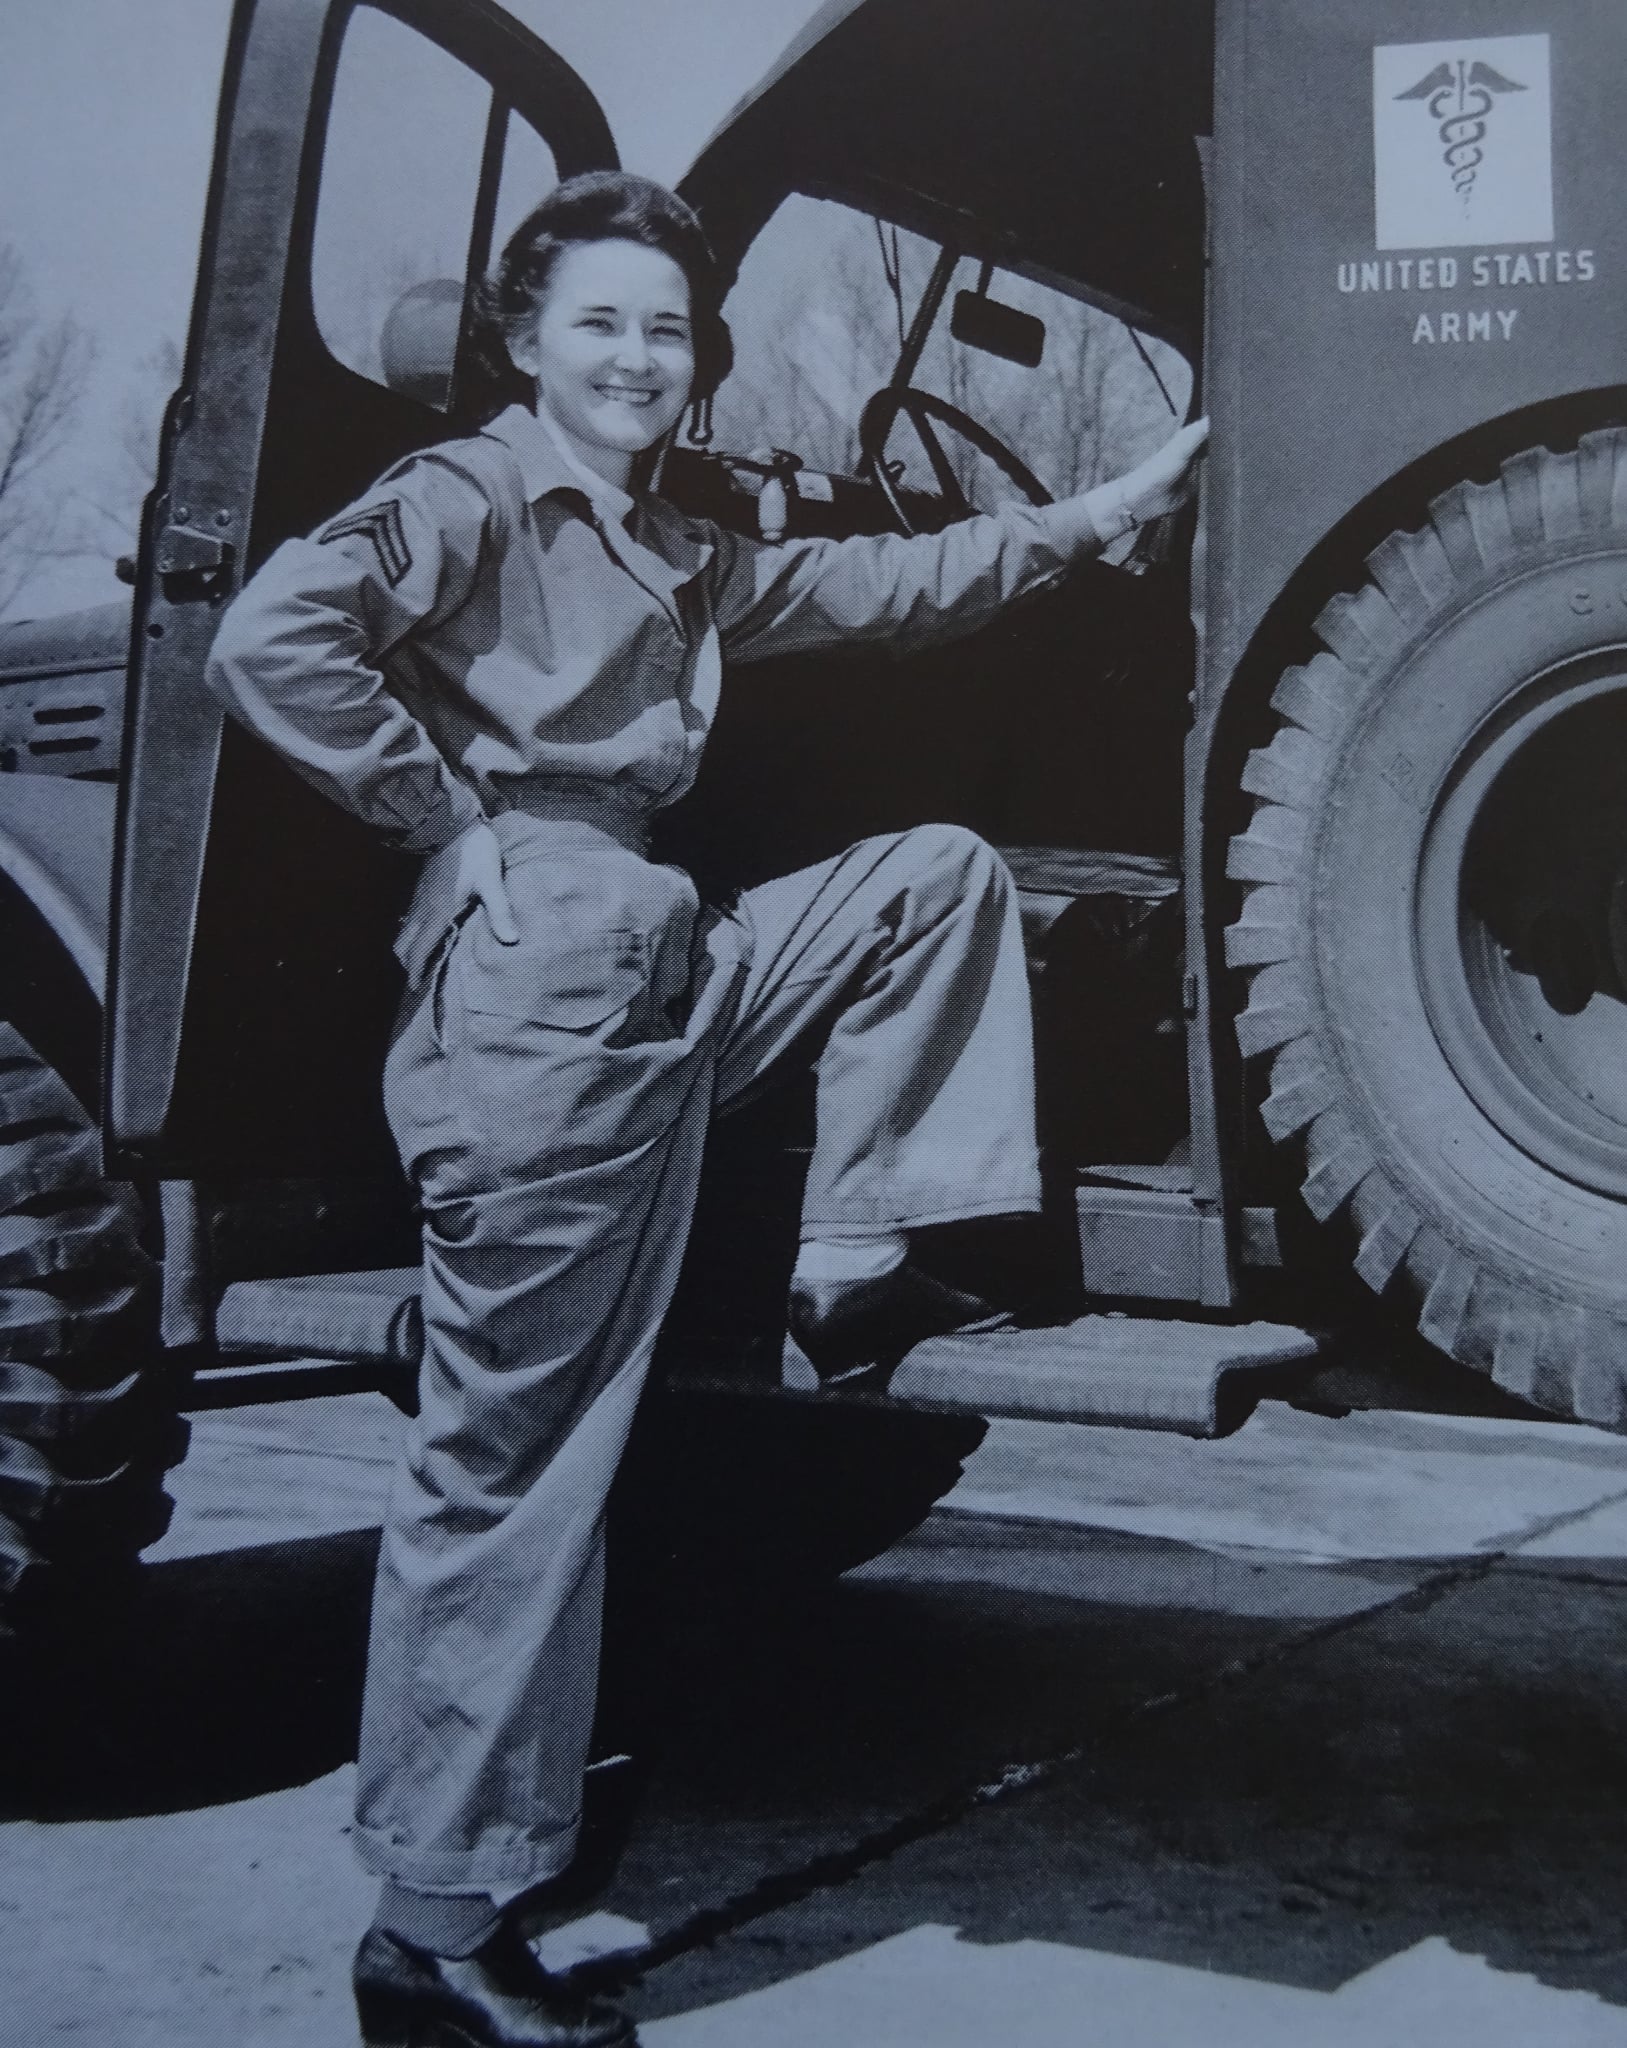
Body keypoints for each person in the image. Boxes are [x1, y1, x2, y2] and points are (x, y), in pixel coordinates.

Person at [205, 171, 1207, 2048]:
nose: (638, 356)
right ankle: (433, 1932)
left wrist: (1087, 520)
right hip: (539, 1003)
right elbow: (270, 638)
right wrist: (444, 823)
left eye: (666, 328)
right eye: (599, 321)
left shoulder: (679, 542)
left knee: (930, 878)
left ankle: (850, 1257)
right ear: (524, 340)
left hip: (669, 962)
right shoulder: (469, 493)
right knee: (519, 1471)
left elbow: (886, 588)